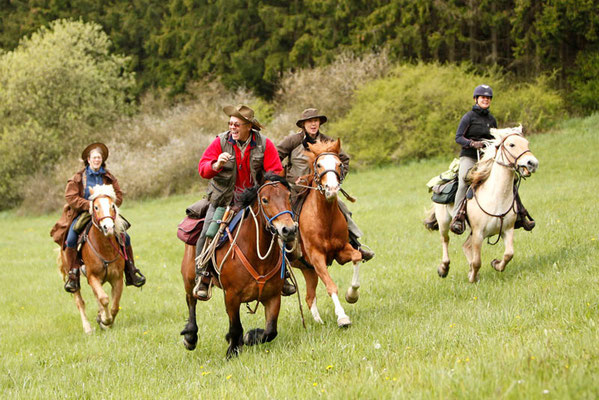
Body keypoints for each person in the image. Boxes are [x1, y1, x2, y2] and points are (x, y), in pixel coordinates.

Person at [193, 104, 295, 300]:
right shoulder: (220, 142)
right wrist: (216, 164)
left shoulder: (264, 144)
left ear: (249, 126)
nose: (232, 128)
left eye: (237, 124)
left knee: (279, 229)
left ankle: (284, 275)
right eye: (230, 124)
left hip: (255, 200)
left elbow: (275, 173)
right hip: (224, 200)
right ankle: (203, 277)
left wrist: (266, 187)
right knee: (208, 233)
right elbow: (203, 169)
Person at [277, 108, 375, 261]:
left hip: (321, 189)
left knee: (343, 209)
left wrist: (335, 179)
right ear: (303, 124)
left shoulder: (328, 142)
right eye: (310, 121)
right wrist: (289, 177)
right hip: (297, 190)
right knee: (286, 218)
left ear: (319, 123)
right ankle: (282, 255)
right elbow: (276, 157)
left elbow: (344, 160)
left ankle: (355, 245)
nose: (313, 124)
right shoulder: (292, 141)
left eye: (315, 121)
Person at [50, 143, 146, 292]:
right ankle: (73, 274)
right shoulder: (77, 178)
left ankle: (131, 270)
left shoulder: (108, 177)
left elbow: (119, 196)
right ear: (88, 160)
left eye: (99, 157)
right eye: (94, 157)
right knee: (70, 239)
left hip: (105, 213)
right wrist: (87, 204)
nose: (96, 160)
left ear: (102, 160)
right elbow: (70, 197)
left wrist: (109, 202)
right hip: (85, 213)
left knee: (125, 237)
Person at [450, 85, 535, 234]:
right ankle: (458, 217)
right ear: (476, 99)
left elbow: (495, 140)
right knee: (464, 179)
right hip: (469, 156)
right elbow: (458, 137)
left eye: (488, 98)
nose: (485, 100)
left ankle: (521, 214)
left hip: (487, 157)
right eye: (482, 97)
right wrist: (472, 143)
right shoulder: (468, 117)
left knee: (511, 178)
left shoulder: (491, 119)